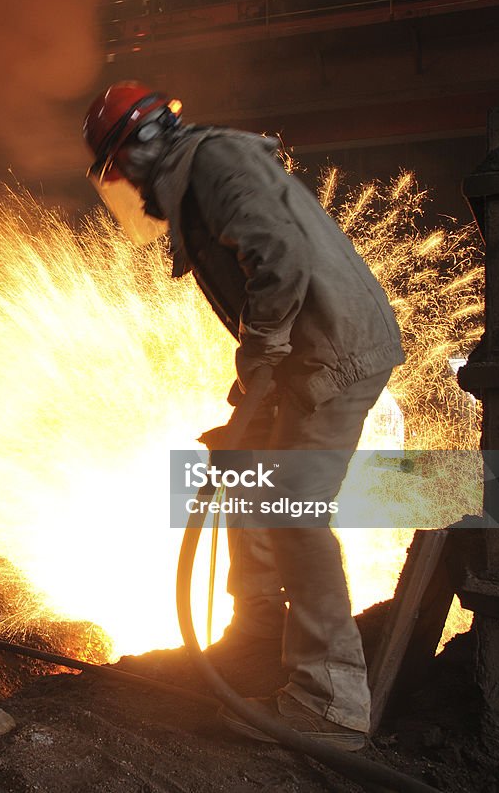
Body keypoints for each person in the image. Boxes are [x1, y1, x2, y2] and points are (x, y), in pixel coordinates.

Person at [82, 82, 405, 750]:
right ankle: (259, 631)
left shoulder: (215, 164)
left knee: (290, 505)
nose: (127, 187)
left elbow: (279, 258)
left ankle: (331, 700)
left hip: (333, 353)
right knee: (244, 465)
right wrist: (255, 382)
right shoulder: (200, 172)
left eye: (120, 170)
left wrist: (263, 352)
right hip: (309, 351)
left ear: (142, 145)